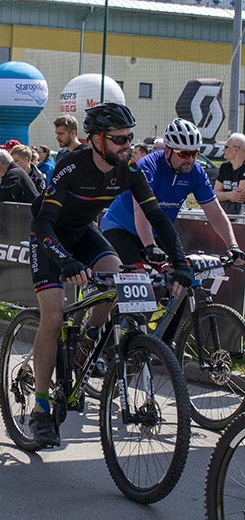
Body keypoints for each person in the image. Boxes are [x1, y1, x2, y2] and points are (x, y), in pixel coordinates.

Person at [28, 102, 193, 448]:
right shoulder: (70, 165)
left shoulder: (129, 169)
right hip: (50, 236)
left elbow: (157, 218)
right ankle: (41, 408)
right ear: (96, 139)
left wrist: (180, 261)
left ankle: (87, 343)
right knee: (54, 317)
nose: (127, 144)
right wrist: (66, 261)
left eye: (130, 137)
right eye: (120, 139)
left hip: (84, 232)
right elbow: (43, 223)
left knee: (117, 277)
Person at [100, 118, 245, 341]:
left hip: (157, 232)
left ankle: (162, 348)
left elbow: (215, 212)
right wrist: (149, 246)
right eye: (184, 154)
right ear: (168, 150)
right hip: (122, 228)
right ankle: (111, 344)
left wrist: (232, 245)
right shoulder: (148, 166)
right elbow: (142, 213)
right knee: (140, 282)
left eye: (195, 153)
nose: (191, 159)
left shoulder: (195, 172)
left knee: (180, 282)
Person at [214, 133, 245, 215]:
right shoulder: (225, 167)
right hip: (226, 214)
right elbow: (215, 194)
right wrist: (229, 195)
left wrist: (223, 195)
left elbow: (239, 197)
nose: (223, 150)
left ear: (236, 149)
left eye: (226, 147)